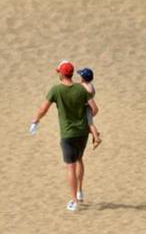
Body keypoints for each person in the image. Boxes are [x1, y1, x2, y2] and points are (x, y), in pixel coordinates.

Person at [29, 61, 97, 212]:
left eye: (58, 71)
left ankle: (73, 201)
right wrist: (84, 118)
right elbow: (94, 109)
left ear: (61, 73)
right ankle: (79, 192)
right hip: (82, 133)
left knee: (70, 166)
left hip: (68, 134)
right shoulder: (81, 89)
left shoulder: (56, 90)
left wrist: (36, 121)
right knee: (79, 159)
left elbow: (43, 109)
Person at [77, 68, 102, 149]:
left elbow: (87, 93)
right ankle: (95, 134)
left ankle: (97, 138)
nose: (80, 77)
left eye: (81, 76)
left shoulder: (85, 86)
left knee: (90, 124)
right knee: (86, 125)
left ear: (83, 78)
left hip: (87, 108)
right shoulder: (90, 85)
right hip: (86, 107)